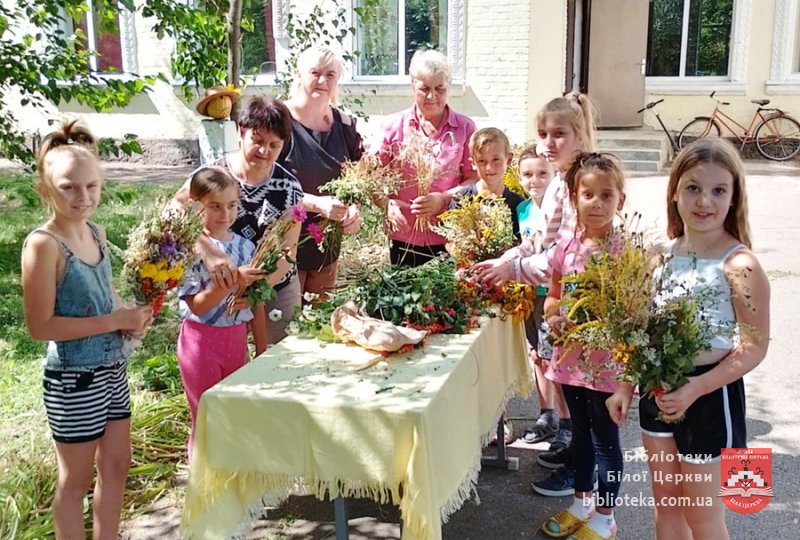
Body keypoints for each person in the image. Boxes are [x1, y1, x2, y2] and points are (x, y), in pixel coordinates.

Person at [606, 138, 771, 540]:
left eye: (718, 190)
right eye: (693, 188)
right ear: (674, 192)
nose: (704, 201)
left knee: (703, 515)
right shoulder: (657, 257)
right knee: (667, 503)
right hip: (657, 393)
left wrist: (697, 388)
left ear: (734, 198)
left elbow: (754, 345)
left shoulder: (740, 264)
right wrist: (625, 387)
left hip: (712, 400)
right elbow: (638, 329)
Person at [20, 121, 152, 539]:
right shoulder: (44, 245)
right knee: (74, 482)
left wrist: (130, 319)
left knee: (115, 466)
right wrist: (114, 320)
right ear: (45, 190)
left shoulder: (95, 231)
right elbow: (40, 326)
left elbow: (108, 298)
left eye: (92, 186)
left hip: (112, 370)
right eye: (69, 188)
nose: (83, 197)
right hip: (73, 380)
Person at [473, 92, 599, 495]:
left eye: (558, 133)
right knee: (570, 388)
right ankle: (576, 452)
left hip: (581, 301)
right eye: (542, 133)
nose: (547, 143)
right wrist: (505, 260)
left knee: (582, 391)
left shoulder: (582, 182)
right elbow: (537, 239)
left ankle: (584, 472)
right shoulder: (562, 179)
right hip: (560, 298)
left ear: (579, 135)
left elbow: (561, 258)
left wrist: (510, 269)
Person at [540, 152, 628, 540]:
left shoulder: (625, 252)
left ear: (620, 201)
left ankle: (605, 516)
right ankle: (581, 502)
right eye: (587, 194)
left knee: (605, 439)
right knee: (579, 433)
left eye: (606, 195)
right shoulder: (566, 249)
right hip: (570, 362)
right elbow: (553, 295)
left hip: (607, 368)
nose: (597, 203)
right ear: (574, 198)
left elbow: (633, 312)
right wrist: (554, 316)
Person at [173, 95, 304, 344]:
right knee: (228, 363)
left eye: (274, 145)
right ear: (241, 133)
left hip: (272, 287)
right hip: (216, 290)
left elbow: (289, 252)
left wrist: (255, 291)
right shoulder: (213, 175)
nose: (265, 152)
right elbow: (173, 210)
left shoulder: (289, 187)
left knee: (282, 358)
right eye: (258, 141)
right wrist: (207, 249)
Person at [177, 166, 268, 456]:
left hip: (236, 341)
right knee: (206, 419)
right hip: (201, 342)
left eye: (231, 206)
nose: (225, 215)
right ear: (195, 206)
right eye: (214, 207)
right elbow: (197, 305)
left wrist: (263, 349)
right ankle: (203, 488)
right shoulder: (191, 248)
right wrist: (230, 284)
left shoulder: (247, 245)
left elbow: (257, 300)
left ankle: (232, 486)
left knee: (233, 415)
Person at [373, 48, 478, 267]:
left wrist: (444, 199)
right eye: (425, 89)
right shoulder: (393, 126)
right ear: (413, 86)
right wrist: (387, 205)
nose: (433, 96)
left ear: (448, 87)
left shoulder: (465, 128)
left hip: (449, 236)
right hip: (404, 234)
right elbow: (370, 178)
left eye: (440, 88)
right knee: (403, 298)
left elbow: (473, 180)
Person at [280, 45, 364, 297]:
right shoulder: (279, 121)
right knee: (285, 327)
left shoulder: (344, 124)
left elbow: (357, 179)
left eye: (330, 75)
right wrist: (316, 203)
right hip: (284, 240)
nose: (322, 81)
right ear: (298, 74)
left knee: (320, 325)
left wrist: (353, 209)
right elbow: (265, 184)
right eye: (314, 72)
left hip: (326, 243)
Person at [513, 145, 562, 446]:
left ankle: (558, 417)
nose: (535, 180)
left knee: (553, 354)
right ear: (518, 178)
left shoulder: (558, 207)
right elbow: (527, 247)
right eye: (528, 174)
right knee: (536, 353)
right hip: (531, 293)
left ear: (553, 175)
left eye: (542, 173)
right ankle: (546, 414)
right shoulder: (522, 209)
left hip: (553, 294)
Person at [452, 127, 525, 235]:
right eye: (482, 161)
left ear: (508, 159)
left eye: (495, 159)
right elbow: (449, 238)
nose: (489, 168)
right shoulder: (461, 198)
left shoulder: (519, 205)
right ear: (473, 163)